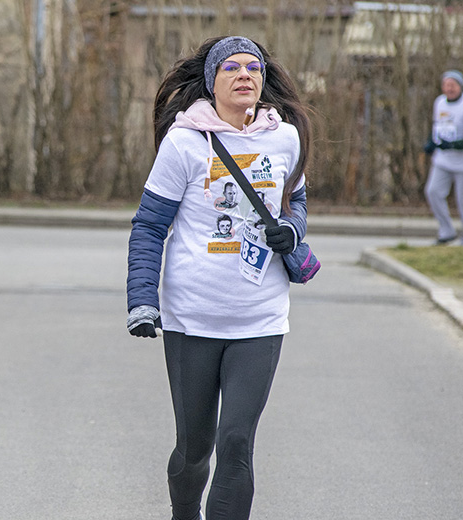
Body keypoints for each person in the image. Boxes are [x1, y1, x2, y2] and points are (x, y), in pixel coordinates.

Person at [126, 36, 312, 520]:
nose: (245, 75)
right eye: (231, 68)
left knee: (236, 443)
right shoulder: (185, 142)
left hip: (260, 319)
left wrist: (291, 230)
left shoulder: (285, 138)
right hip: (193, 320)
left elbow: (297, 204)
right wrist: (142, 300)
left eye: (253, 67)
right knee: (194, 449)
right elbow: (149, 226)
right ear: (213, 81)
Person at [423, 69, 463, 245]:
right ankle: (446, 231)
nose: (449, 88)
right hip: (442, 160)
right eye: (446, 85)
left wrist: (454, 145)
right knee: (433, 192)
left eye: (453, 85)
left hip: (461, 162)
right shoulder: (439, 103)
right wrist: (431, 143)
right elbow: (437, 127)